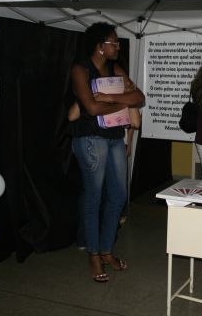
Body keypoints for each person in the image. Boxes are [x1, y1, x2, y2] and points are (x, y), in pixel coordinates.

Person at [70, 22, 144, 283]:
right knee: (94, 196)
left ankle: (106, 250)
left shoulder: (115, 70)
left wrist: (111, 99)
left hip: (114, 138)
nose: (118, 47)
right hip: (90, 138)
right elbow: (91, 108)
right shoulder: (81, 70)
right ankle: (93, 254)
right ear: (100, 46)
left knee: (118, 195)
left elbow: (139, 97)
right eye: (114, 42)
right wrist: (121, 104)